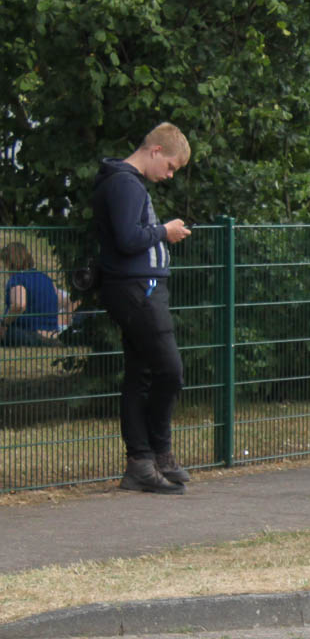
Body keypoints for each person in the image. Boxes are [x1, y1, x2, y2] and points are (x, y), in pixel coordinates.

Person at [93, 123, 194, 494]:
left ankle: (144, 461)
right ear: (155, 150)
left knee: (141, 374)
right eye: (169, 166)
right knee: (169, 370)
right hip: (137, 290)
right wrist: (164, 232)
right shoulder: (125, 184)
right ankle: (155, 453)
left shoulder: (125, 183)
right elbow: (128, 238)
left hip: (138, 287)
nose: (168, 175)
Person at [2, 243, 66, 346]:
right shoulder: (45, 278)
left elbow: (19, 305)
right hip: (52, 333)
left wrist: (4, 323)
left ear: (9, 262)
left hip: (30, 333)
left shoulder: (17, 279)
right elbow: (60, 301)